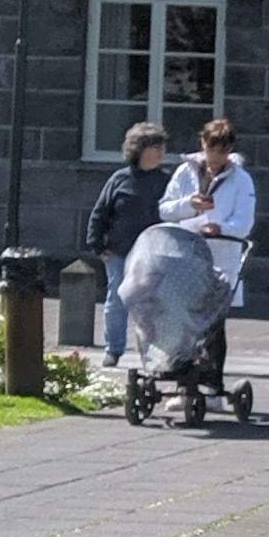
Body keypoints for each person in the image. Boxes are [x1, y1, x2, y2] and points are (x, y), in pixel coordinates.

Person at [158, 118, 255, 386]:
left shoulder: (241, 180)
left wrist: (220, 227)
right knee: (183, 321)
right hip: (186, 255)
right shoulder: (185, 172)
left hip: (220, 258)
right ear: (203, 144)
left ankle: (213, 385)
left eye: (222, 151)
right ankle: (184, 386)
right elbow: (165, 209)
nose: (216, 157)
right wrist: (190, 204)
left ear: (230, 150)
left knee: (213, 324)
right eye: (212, 149)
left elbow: (245, 223)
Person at [82, 121, 171, 365]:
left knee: (153, 304)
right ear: (139, 149)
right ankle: (114, 349)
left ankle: (155, 352)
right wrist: (97, 244)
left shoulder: (167, 181)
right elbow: (100, 212)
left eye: (162, 148)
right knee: (117, 300)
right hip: (120, 251)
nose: (161, 153)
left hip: (154, 254)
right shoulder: (119, 179)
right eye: (155, 148)